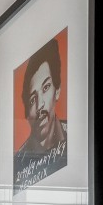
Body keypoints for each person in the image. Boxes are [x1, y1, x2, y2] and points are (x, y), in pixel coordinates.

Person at [13, 39, 68, 187]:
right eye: (32, 100)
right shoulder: (17, 164)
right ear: (26, 113)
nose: (39, 105)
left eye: (46, 87)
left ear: (57, 91)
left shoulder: (78, 137)